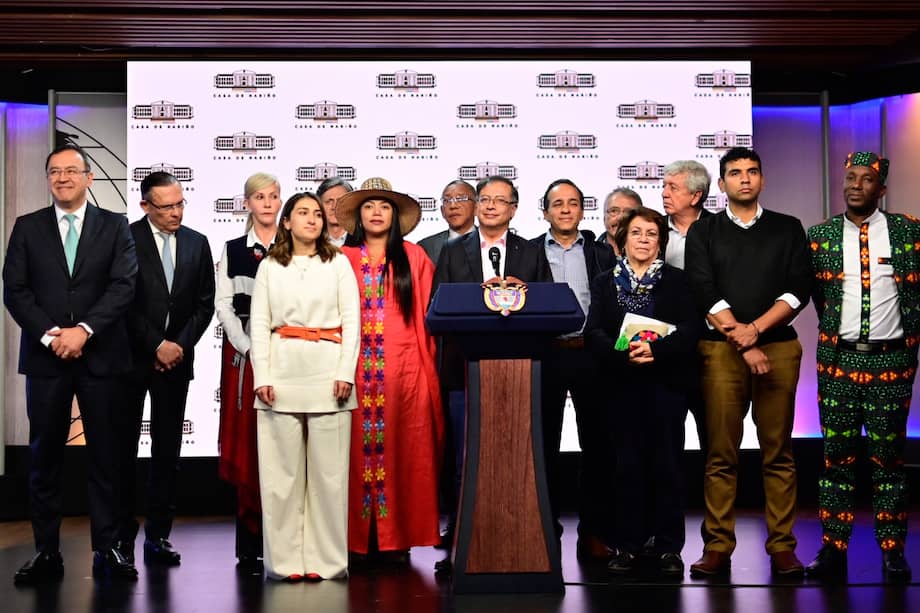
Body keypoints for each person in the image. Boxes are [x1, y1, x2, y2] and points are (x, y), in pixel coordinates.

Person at [4, 143, 138, 583]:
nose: (62, 178)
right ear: (49, 179)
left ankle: (109, 548)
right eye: (54, 172)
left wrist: (84, 331)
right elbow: (15, 289)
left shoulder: (115, 226)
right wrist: (50, 335)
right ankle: (46, 552)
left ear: (88, 177)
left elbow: (123, 286)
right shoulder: (27, 227)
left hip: (101, 357)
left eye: (71, 171)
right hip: (46, 361)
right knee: (44, 458)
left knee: (107, 456)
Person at [684, 147, 812, 579]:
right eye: (735, 173)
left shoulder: (788, 228)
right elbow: (703, 289)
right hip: (721, 349)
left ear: (762, 179)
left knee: (779, 452)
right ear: (720, 184)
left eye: (752, 172)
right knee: (721, 453)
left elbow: (798, 291)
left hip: (777, 348)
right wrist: (743, 339)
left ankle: (782, 547)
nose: (744, 179)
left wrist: (755, 331)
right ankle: (717, 546)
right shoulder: (704, 231)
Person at [805, 152, 920, 583]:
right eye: (850, 177)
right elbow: (818, 299)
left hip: (891, 360)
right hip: (838, 363)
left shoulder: (909, 233)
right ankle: (834, 550)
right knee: (836, 460)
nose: (856, 185)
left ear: (881, 189)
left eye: (866, 179)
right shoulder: (821, 237)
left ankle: (893, 552)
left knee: (888, 462)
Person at [430, 175, 553, 568]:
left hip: (517, 369)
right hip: (464, 367)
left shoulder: (531, 252)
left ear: (514, 209)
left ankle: (518, 539)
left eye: (500, 200)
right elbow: (438, 307)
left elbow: (550, 304)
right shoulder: (453, 250)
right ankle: (461, 540)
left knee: (515, 456)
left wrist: (526, 295)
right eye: (484, 199)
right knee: (465, 455)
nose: (490, 206)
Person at [249, 192, 360, 581]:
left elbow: (352, 323)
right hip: (281, 373)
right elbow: (259, 326)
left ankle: (327, 562)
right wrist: (261, 376)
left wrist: (346, 372)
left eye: (317, 213)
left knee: (330, 479)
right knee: (281, 479)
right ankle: (284, 562)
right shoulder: (269, 268)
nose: (312, 219)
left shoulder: (339, 264)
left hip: (329, 374)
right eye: (303, 213)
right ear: (287, 222)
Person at [586, 207, 701, 577]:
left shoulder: (678, 280)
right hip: (620, 388)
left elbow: (690, 329)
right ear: (623, 239)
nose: (644, 240)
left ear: (661, 242)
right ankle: (629, 546)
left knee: (667, 467)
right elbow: (594, 333)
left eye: (652, 234)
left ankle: (669, 548)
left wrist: (657, 351)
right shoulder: (605, 281)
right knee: (627, 468)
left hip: (665, 387)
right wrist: (624, 353)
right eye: (636, 233)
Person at [335, 177, 444, 564]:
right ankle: (354, 541)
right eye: (368, 206)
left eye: (384, 206)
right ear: (358, 217)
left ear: (395, 215)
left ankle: (397, 540)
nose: (376, 212)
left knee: (404, 453)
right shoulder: (341, 260)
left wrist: (424, 371)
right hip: (353, 371)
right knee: (349, 458)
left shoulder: (414, 257)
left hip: (404, 373)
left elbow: (429, 320)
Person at [116, 171, 215, 567]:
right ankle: (121, 537)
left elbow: (205, 304)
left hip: (177, 362)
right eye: (166, 206)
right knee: (122, 451)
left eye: (179, 204)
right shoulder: (125, 239)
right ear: (145, 206)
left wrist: (178, 345)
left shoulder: (197, 242)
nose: (176, 212)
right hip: (131, 359)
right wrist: (155, 343)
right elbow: (122, 300)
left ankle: (158, 536)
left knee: (167, 451)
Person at [530, 179, 615, 560]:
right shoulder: (527, 252)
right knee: (541, 446)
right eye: (557, 203)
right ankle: (544, 529)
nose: (565, 209)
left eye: (573, 203)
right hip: (545, 354)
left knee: (597, 447)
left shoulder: (602, 253)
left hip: (591, 355)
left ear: (583, 210)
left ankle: (594, 531)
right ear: (544, 210)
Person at [215, 172, 282, 573]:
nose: (268, 203)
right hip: (244, 359)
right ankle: (249, 545)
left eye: (274, 196)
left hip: (288, 356)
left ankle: (283, 542)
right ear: (247, 204)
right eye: (260, 197)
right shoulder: (233, 249)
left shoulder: (297, 248)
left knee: (281, 444)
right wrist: (247, 345)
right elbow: (224, 306)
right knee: (248, 445)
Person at [662, 160, 711, 270]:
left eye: (673, 188)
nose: (664, 194)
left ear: (695, 196)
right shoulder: (655, 227)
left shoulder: (718, 228)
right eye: (664, 186)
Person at [418, 179, 477, 265]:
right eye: (447, 200)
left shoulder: (492, 242)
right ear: (442, 211)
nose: (453, 206)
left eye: (460, 199)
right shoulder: (425, 247)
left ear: (476, 208)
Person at [597, 188, 642, 255]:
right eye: (614, 211)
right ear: (604, 218)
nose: (620, 218)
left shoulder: (653, 255)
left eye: (628, 212)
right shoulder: (589, 254)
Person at [317, 177, 354, 248]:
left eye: (340, 201)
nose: (334, 207)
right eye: (329, 202)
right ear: (319, 205)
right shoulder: (311, 241)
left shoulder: (364, 240)